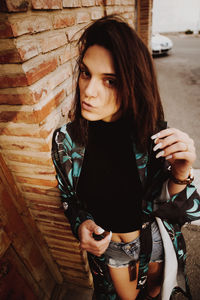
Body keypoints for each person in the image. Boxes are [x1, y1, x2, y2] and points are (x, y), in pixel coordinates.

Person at [51, 15, 200, 300]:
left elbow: (178, 213)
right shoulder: (66, 142)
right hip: (113, 252)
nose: (89, 91)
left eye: (110, 81)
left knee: (159, 293)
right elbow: (69, 199)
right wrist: (80, 223)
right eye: (85, 73)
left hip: (154, 244)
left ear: (133, 83)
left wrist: (181, 173)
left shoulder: (151, 133)